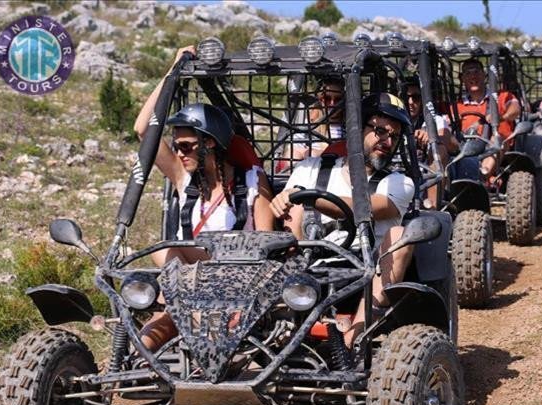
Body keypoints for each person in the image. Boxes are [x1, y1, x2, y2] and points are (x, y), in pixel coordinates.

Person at [133, 46, 275, 351]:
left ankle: (213, 339)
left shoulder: (251, 182)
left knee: (171, 254)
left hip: (240, 285)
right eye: (177, 146)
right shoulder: (185, 182)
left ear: (210, 143)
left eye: (186, 146)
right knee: (141, 345)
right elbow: (144, 131)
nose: (180, 153)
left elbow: (265, 245)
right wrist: (174, 70)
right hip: (190, 292)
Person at [269, 93, 416, 348]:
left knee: (401, 235)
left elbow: (363, 208)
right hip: (309, 267)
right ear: (357, 129)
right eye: (380, 131)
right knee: (291, 220)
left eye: (394, 136)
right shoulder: (310, 169)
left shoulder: (399, 182)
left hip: (366, 271)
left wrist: (306, 197)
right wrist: (281, 202)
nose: (387, 141)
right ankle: (281, 324)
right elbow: (287, 216)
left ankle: (354, 336)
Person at [456, 58, 521, 178]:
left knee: (497, 139)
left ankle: (483, 174)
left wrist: (501, 117)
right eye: (468, 73)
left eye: (476, 72)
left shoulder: (501, 96)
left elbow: (515, 109)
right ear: (462, 78)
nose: (473, 77)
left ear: (484, 75)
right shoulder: (456, 105)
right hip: (466, 146)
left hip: (494, 144)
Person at [405, 76, 459, 208]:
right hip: (398, 172)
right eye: (406, 98)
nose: (411, 102)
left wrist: (432, 136)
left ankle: (432, 206)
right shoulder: (393, 121)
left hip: (424, 173)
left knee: (439, 149)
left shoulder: (435, 120)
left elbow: (453, 145)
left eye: (416, 98)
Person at [276, 75, 347, 172]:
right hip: (309, 169)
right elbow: (295, 146)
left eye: (338, 99)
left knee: (313, 155)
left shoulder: (348, 124)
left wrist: (318, 153)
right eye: (327, 98)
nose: (332, 104)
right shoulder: (312, 120)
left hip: (337, 170)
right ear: (321, 99)